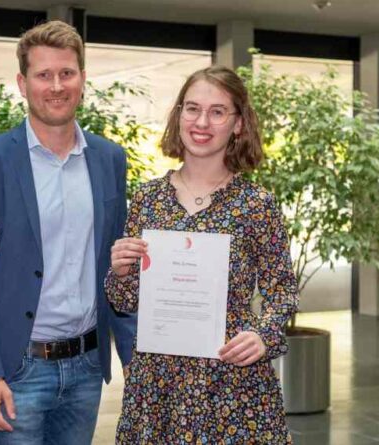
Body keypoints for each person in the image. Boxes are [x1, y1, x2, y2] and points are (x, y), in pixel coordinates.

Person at [0, 20, 136, 445]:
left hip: (88, 367)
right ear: (23, 83)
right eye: (43, 75)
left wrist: (132, 359)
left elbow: (120, 265)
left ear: (82, 79)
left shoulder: (109, 159)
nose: (56, 86)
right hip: (18, 370)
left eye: (67, 73)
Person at [106, 65, 298, 444]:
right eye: (192, 109)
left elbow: (283, 290)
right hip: (158, 387)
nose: (202, 122)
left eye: (217, 112)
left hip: (233, 384)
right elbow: (125, 301)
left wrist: (264, 335)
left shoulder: (256, 204)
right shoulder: (148, 199)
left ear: (238, 124)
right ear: (179, 116)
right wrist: (121, 272)